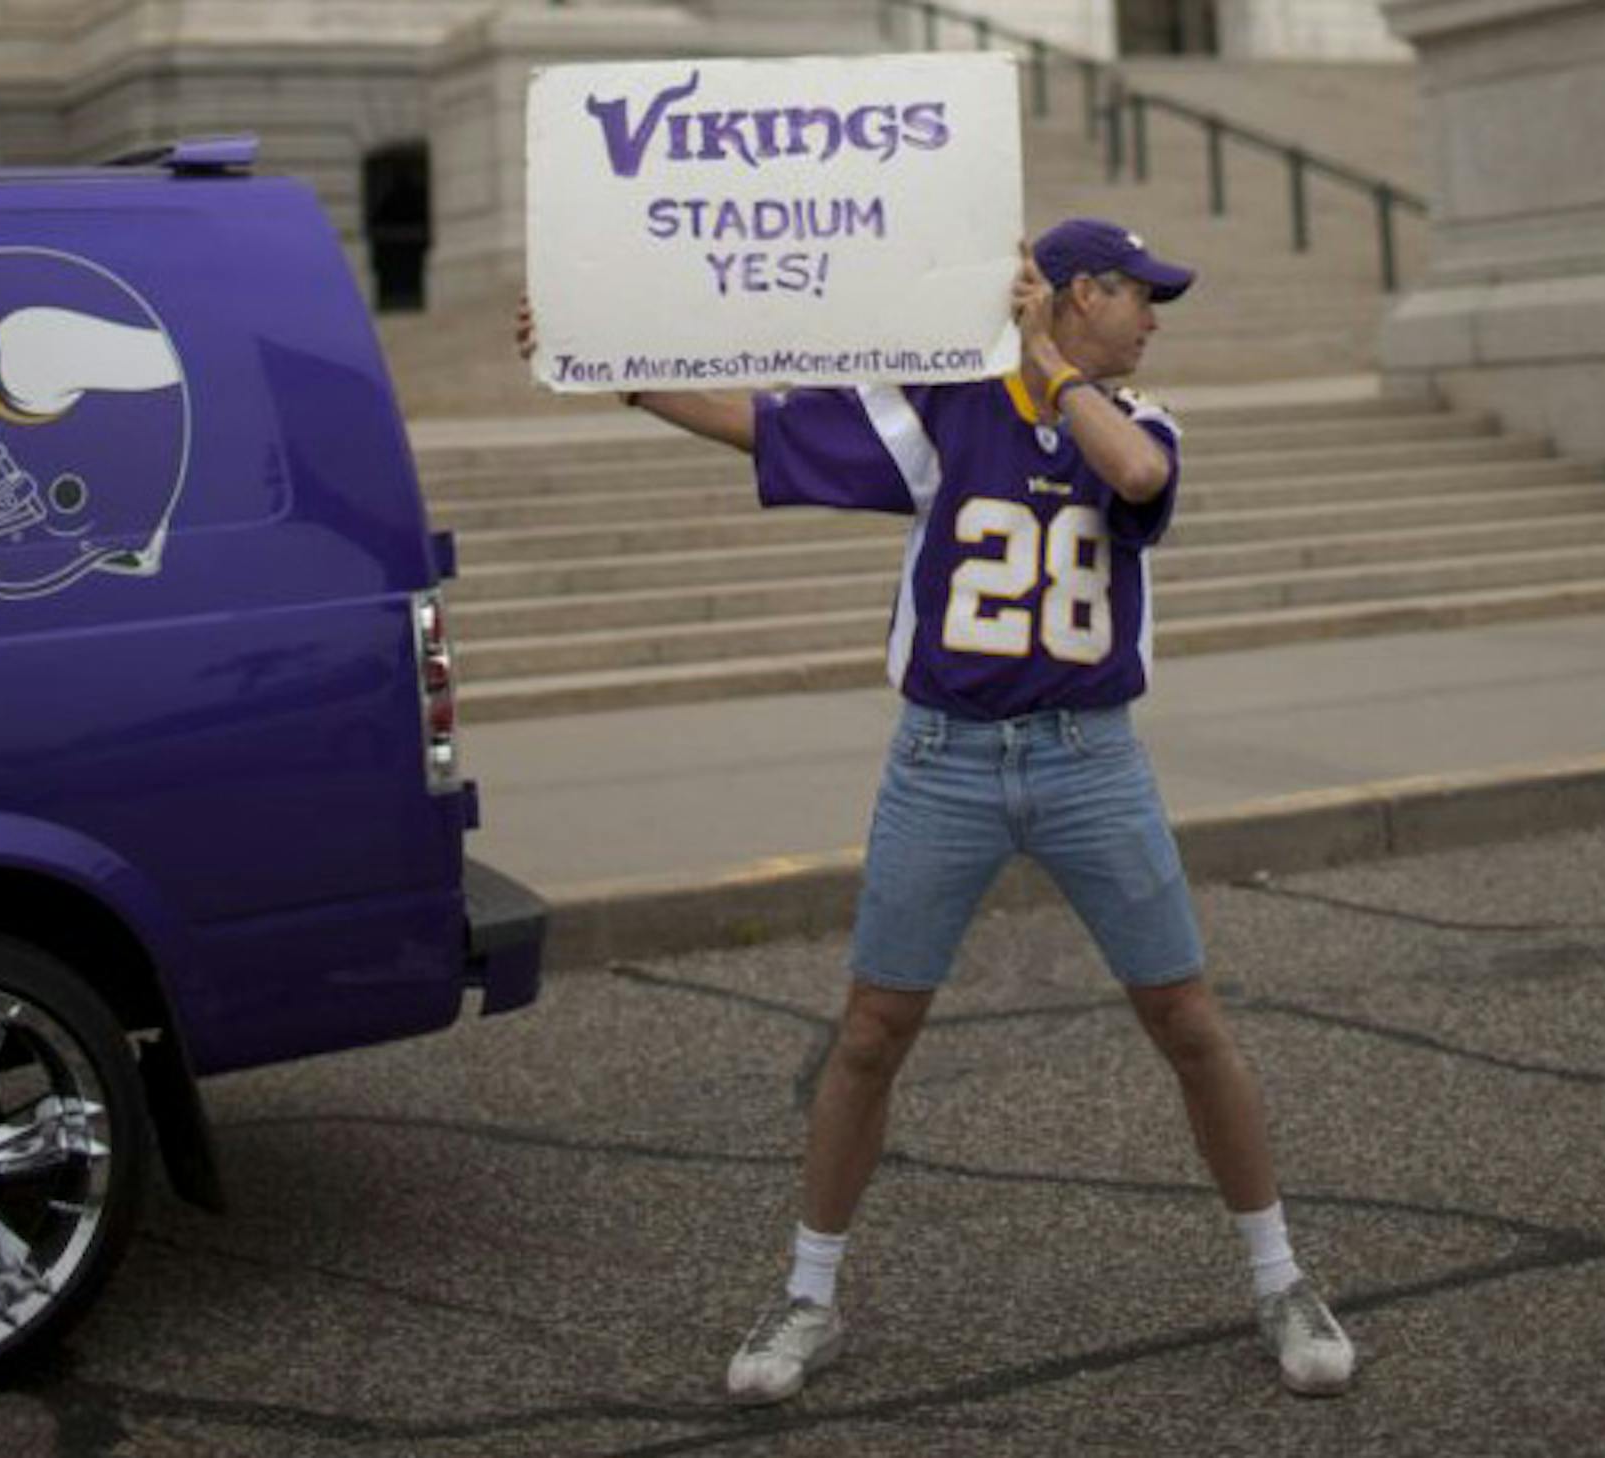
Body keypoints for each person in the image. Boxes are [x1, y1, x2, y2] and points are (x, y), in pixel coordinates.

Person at [514, 217, 1355, 1402]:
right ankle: (809, 1292)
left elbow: (1138, 477)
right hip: (945, 761)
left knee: (1186, 1017)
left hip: (1087, 758)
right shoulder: (947, 410)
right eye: (1136, 295)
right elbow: (769, 426)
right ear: (1072, 293)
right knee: (870, 1030)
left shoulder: (1140, 417)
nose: (1155, 317)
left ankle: (1280, 1275)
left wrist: (1049, 369)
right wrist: (614, 375)